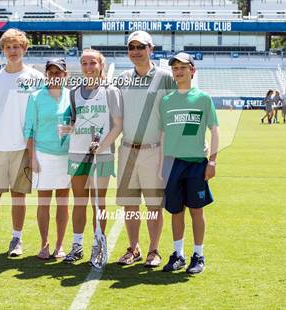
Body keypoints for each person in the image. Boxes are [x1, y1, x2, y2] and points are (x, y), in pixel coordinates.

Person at [0, 28, 44, 257]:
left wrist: (36, 148)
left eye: (17, 47)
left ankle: (17, 239)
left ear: (24, 48)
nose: (13, 51)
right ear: (3, 50)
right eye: (8, 47)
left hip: (23, 147)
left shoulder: (35, 78)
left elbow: (41, 113)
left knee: (18, 195)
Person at [116, 31, 176, 267]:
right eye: (132, 47)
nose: (136, 51)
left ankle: (153, 250)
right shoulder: (121, 78)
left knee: (153, 206)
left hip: (155, 150)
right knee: (130, 205)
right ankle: (133, 248)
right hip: (127, 149)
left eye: (141, 46)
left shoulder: (165, 77)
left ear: (151, 48)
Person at [160, 52, 219, 275]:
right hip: (173, 163)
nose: (178, 71)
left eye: (183, 67)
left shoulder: (203, 98)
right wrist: (161, 165)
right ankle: (178, 254)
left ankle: (199, 255)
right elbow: (164, 135)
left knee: (196, 210)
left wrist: (212, 161)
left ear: (192, 71)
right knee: (176, 211)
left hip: (196, 164)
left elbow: (214, 130)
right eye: (175, 68)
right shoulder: (166, 100)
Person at [62, 49, 123, 263]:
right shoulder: (74, 92)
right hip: (77, 153)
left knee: (98, 202)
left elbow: (118, 125)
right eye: (84, 63)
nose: (89, 67)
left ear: (101, 65)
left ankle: (98, 245)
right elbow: (73, 121)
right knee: (79, 200)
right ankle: (77, 245)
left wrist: (102, 144)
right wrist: (67, 128)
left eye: (93, 63)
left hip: (103, 154)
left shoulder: (111, 91)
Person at [23, 58, 70, 260]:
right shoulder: (35, 97)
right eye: (50, 72)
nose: (54, 76)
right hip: (42, 155)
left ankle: (59, 245)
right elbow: (29, 130)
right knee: (43, 203)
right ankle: (44, 244)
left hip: (66, 156)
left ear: (65, 75)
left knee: (62, 203)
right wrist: (32, 158)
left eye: (58, 72)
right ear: (46, 75)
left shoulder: (72, 96)